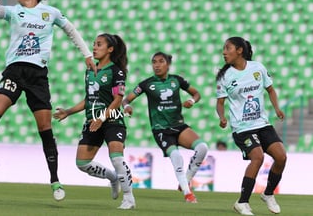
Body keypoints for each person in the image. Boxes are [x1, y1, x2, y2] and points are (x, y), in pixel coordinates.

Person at [0, 0, 96, 201]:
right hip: (15, 69)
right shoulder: (14, 12)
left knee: (45, 129)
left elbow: (71, 30)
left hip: (38, 75)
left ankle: (55, 181)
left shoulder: (50, 12)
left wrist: (87, 54)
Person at [53, 33, 136, 210]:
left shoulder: (116, 71)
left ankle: (129, 198)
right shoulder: (90, 70)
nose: (94, 48)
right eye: (94, 44)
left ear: (110, 49)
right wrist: (68, 111)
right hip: (93, 120)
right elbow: (88, 99)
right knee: (82, 164)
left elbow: (117, 100)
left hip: (112, 119)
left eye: (99, 45)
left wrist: (102, 118)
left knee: (116, 156)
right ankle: (113, 178)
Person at [122, 51, 208, 203]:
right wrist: (127, 106)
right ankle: (188, 194)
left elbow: (196, 94)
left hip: (178, 126)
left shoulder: (177, 80)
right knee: (176, 156)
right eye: (154, 62)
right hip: (161, 129)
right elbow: (126, 99)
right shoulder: (146, 84)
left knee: (202, 148)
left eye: (161, 61)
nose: (157, 65)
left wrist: (192, 101)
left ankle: (185, 180)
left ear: (168, 65)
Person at [216, 36, 287, 215]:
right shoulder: (224, 76)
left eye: (228, 48)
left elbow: (270, 90)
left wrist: (277, 108)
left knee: (281, 156)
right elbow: (220, 102)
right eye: (224, 49)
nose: (224, 52)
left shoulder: (258, 68)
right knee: (258, 157)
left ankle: (268, 194)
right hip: (242, 128)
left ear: (239, 50)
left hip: (262, 123)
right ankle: (242, 202)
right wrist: (222, 117)